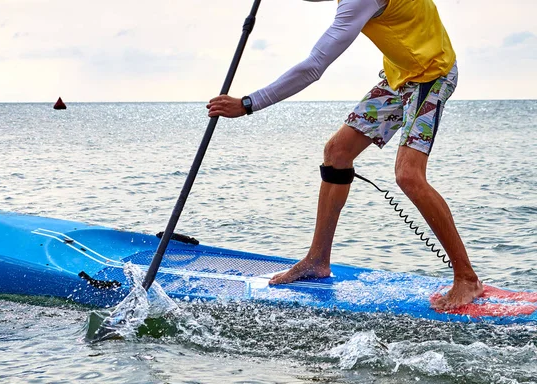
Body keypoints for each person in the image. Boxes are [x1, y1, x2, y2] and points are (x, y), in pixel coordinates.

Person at [206, 0, 483, 310]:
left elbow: (314, 67)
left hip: (432, 74)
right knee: (337, 152)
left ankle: (467, 279)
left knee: (408, 175)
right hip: (399, 77)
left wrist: (247, 104)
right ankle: (317, 260)